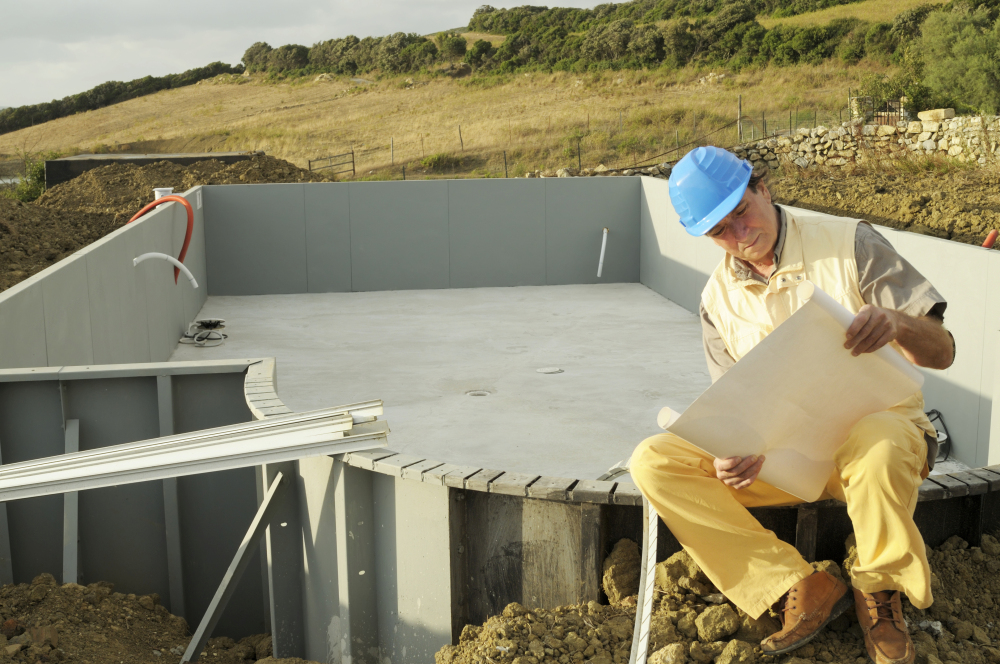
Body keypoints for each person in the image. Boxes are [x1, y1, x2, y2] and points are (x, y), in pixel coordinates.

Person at [630, 147, 955, 664]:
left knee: (881, 441)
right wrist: (733, 453)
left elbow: (943, 350)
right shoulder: (717, 300)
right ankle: (796, 586)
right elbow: (740, 411)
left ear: (763, 187)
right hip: (792, 460)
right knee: (654, 461)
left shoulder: (850, 244)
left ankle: (880, 596)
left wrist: (898, 325)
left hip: (879, 439)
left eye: (741, 212)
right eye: (719, 231)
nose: (739, 236)